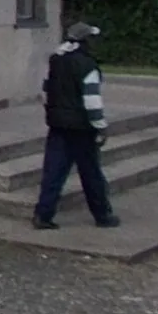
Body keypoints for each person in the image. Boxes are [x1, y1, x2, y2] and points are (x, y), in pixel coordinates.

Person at [33, 22, 119, 231]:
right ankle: (102, 215)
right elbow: (92, 100)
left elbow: (46, 91)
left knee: (53, 172)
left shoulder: (56, 60)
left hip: (57, 125)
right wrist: (101, 126)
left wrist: (53, 112)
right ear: (86, 41)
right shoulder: (87, 65)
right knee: (91, 173)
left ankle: (43, 214)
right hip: (82, 128)